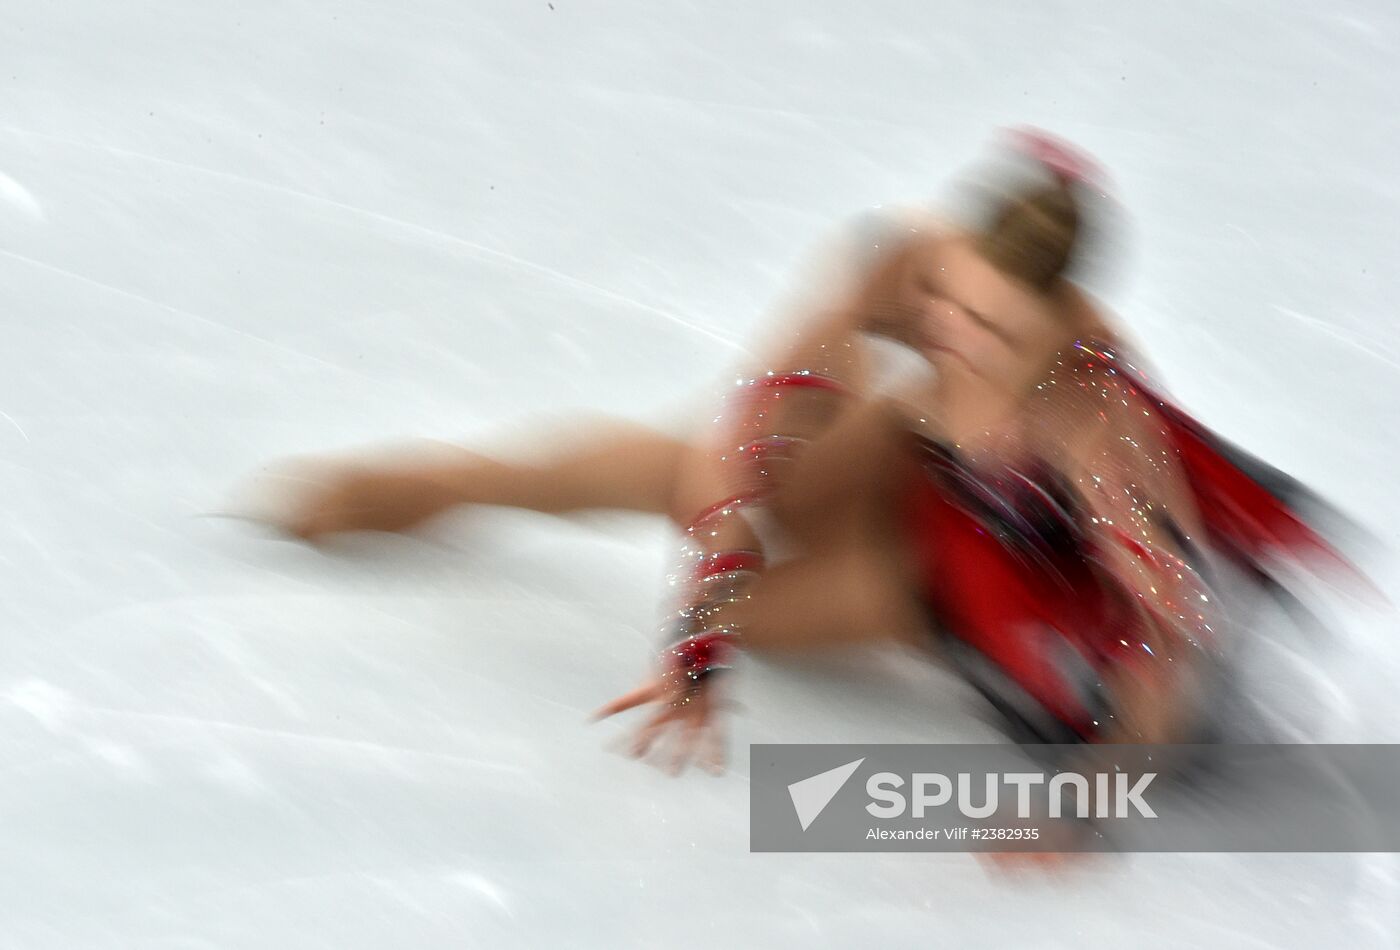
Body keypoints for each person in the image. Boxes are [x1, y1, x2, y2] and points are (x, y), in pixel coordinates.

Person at [248, 130, 1364, 775]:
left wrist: (1085, 802)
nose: (960, 336)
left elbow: (1158, 631)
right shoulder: (910, 262)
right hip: (903, 454)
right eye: (950, 306)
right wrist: (695, 639)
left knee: (760, 610)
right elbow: (764, 407)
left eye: (998, 331)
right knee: (696, 477)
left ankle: (466, 492)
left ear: (1056, 321)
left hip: (988, 569)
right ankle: (448, 484)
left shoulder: (1087, 410)